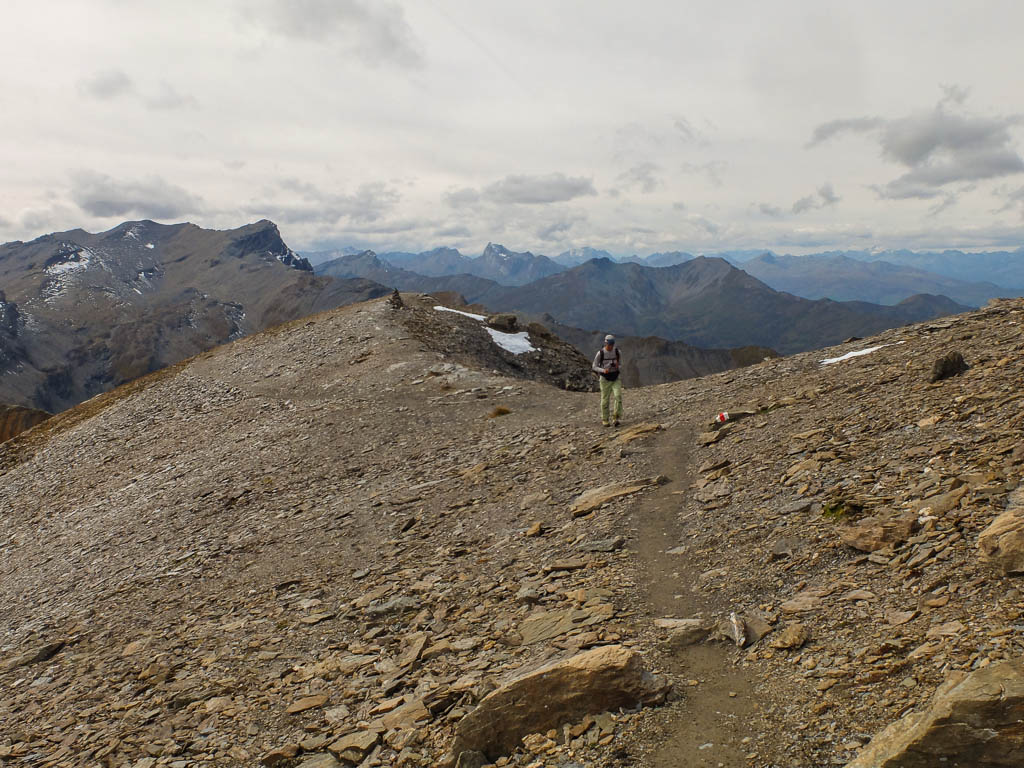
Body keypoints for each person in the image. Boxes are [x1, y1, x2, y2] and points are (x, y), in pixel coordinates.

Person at [592, 334, 622, 427]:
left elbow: (621, 364)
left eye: (612, 344)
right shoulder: (600, 353)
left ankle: (616, 418)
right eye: (609, 344)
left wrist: (617, 366)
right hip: (605, 379)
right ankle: (605, 419)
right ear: (605, 343)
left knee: (618, 396)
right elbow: (594, 366)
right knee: (605, 399)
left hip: (615, 377)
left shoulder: (617, 352)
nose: (610, 346)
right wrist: (603, 370)